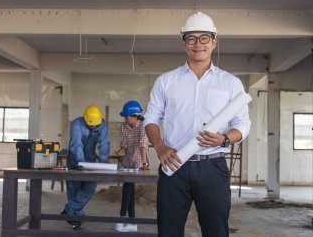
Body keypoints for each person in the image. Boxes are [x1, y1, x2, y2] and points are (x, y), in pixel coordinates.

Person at [144, 12, 251, 237]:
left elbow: (243, 122)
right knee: (168, 230)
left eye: (204, 38)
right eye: (191, 38)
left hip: (213, 166)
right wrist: (160, 146)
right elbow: (151, 118)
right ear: (184, 43)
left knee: (216, 230)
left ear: (214, 42)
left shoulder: (230, 82)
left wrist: (224, 138)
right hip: (174, 165)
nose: (198, 44)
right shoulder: (166, 81)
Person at [60, 105, 110, 229]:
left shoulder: (102, 124)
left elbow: (104, 143)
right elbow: (76, 144)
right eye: (91, 124)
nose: (94, 127)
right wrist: (81, 162)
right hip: (74, 161)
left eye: (96, 125)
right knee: (74, 189)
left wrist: (103, 162)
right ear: (85, 119)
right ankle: (76, 220)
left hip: (91, 160)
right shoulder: (76, 124)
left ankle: (68, 210)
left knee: (90, 187)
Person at [114, 100, 149, 233]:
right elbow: (124, 143)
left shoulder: (143, 126)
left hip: (139, 163)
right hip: (128, 162)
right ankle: (132, 222)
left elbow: (143, 144)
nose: (124, 118)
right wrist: (120, 149)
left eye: (126, 116)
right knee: (129, 189)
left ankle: (123, 218)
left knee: (127, 189)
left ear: (134, 116)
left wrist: (145, 163)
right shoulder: (123, 126)